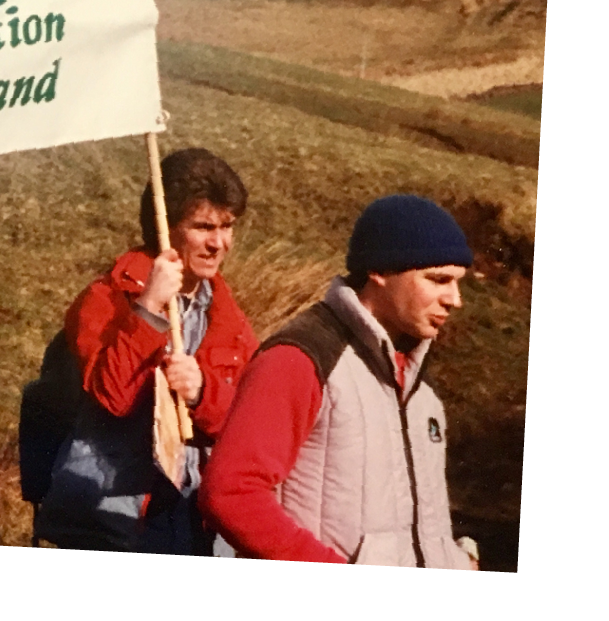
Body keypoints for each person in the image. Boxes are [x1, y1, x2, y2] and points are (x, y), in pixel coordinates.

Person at [198, 194, 479, 568]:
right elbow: (231, 492)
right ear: (379, 271)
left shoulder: (418, 382)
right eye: (438, 279)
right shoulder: (299, 359)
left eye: (458, 283)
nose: (454, 299)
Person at [33, 148, 259, 554]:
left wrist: (204, 391)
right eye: (203, 227)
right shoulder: (106, 298)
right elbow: (112, 397)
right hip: (111, 513)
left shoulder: (230, 318)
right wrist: (149, 310)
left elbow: (251, 418)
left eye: (227, 226)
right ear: (165, 228)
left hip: (196, 518)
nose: (219, 243)